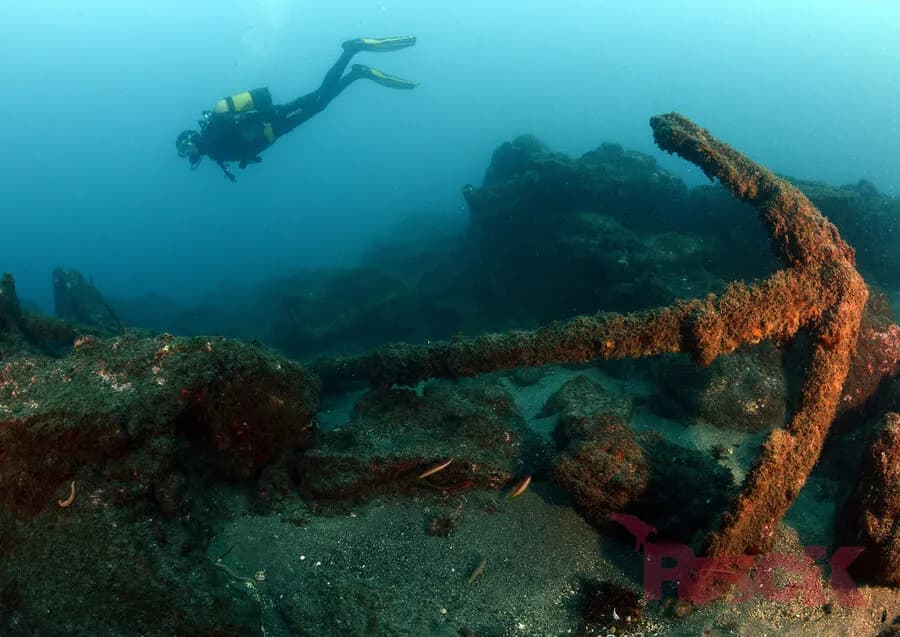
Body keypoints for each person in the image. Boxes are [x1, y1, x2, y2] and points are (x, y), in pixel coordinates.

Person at [175, 36, 417, 182]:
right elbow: (240, 143)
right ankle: (356, 70)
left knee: (320, 99)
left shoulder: (211, 138)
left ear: (190, 140)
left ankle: (351, 52)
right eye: (185, 153)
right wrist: (245, 158)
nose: (189, 154)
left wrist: (246, 149)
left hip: (275, 120)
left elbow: (238, 132)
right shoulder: (212, 149)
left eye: (186, 148)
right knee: (320, 101)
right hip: (277, 125)